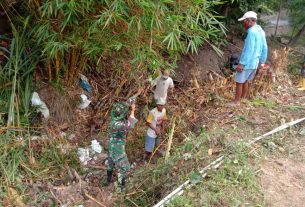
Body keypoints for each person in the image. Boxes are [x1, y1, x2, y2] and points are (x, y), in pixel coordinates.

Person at [106, 89, 142, 192]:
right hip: (117, 148)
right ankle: (121, 189)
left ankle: (108, 181)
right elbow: (130, 124)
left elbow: (127, 103)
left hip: (111, 145)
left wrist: (137, 94)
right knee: (125, 169)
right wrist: (133, 111)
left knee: (111, 162)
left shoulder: (115, 117)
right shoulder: (118, 125)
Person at [230, 11, 268, 106]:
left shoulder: (252, 31)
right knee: (246, 80)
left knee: (239, 82)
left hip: (247, 63)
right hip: (254, 63)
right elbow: (265, 47)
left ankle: (236, 102)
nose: (244, 23)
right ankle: (243, 98)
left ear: (249, 21)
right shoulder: (261, 31)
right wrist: (262, 62)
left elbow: (249, 50)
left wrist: (241, 63)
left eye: (244, 21)